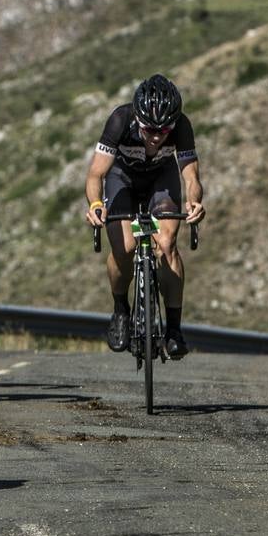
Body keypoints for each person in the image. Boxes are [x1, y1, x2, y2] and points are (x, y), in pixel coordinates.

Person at [83, 74, 204, 358]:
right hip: (122, 178)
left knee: (167, 244)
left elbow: (191, 175)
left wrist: (195, 202)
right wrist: (95, 204)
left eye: (164, 131)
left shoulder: (182, 126)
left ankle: (174, 329)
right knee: (124, 247)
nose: (156, 136)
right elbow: (96, 174)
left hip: (161, 180)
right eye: (150, 129)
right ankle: (120, 310)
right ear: (137, 119)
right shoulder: (120, 120)